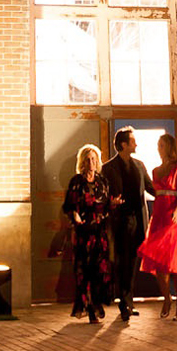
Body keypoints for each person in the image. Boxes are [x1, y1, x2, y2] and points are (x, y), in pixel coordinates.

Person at [102, 125, 154, 321]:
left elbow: (150, 187)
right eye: (133, 141)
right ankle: (123, 303)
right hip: (119, 221)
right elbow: (103, 196)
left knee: (132, 262)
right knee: (122, 262)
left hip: (138, 220)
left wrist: (168, 198)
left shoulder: (139, 165)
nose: (136, 144)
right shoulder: (108, 168)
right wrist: (110, 203)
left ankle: (128, 302)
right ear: (123, 145)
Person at [137, 131, 177, 319]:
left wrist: (176, 211)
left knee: (176, 261)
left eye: (161, 145)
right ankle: (167, 297)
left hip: (175, 218)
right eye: (157, 145)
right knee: (159, 262)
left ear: (168, 147)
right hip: (159, 215)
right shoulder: (155, 170)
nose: (158, 149)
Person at [62, 143, 113, 323]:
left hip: (100, 233)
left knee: (100, 271)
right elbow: (69, 206)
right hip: (84, 233)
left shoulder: (102, 182)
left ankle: (97, 303)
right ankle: (91, 308)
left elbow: (107, 205)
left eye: (94, 159)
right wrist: (75, 216)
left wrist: (113, 205)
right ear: (83, 162)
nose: (91, 162)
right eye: (88, 159)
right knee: (86, 272)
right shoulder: (76, 182)